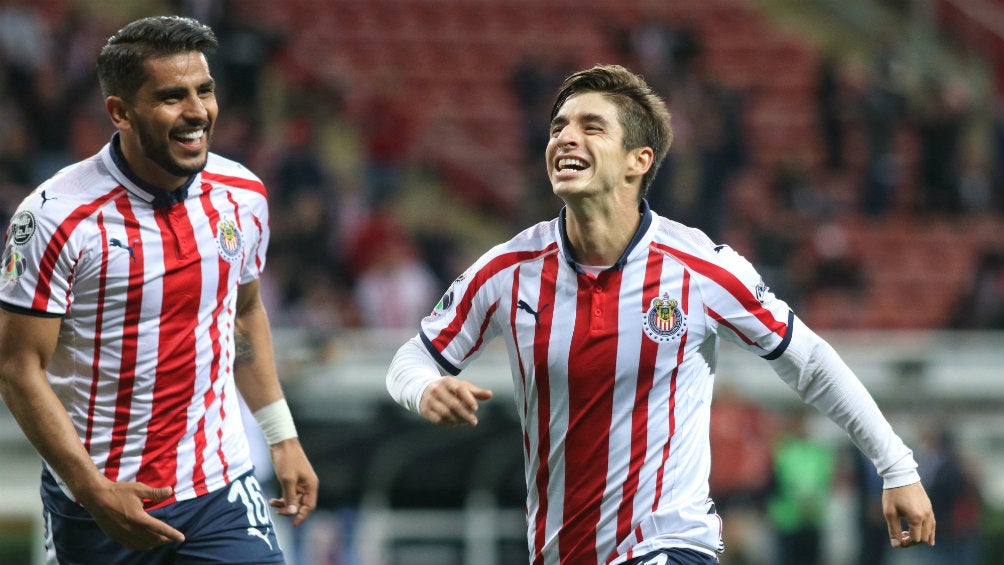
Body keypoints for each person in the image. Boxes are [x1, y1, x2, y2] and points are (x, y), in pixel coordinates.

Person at [385, 64, 935, 565]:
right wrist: (425, 390)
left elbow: (809, 361)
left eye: (591, 127)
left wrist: (897, 467)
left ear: (638, 161)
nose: (565, 138)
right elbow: (411, 359)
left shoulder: (699, 268)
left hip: (669, 547)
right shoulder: (509, 271)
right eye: (558, 127)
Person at [0, 16, 317, 564]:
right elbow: (17, 366)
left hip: (220, 486)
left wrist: (281, 436)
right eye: (172, 97)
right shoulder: (55, 217)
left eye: (205, 90)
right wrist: (93, 491)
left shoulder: (242, 194)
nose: (197, 112)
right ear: (120, 111)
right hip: (99, 501)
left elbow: (242, 316)